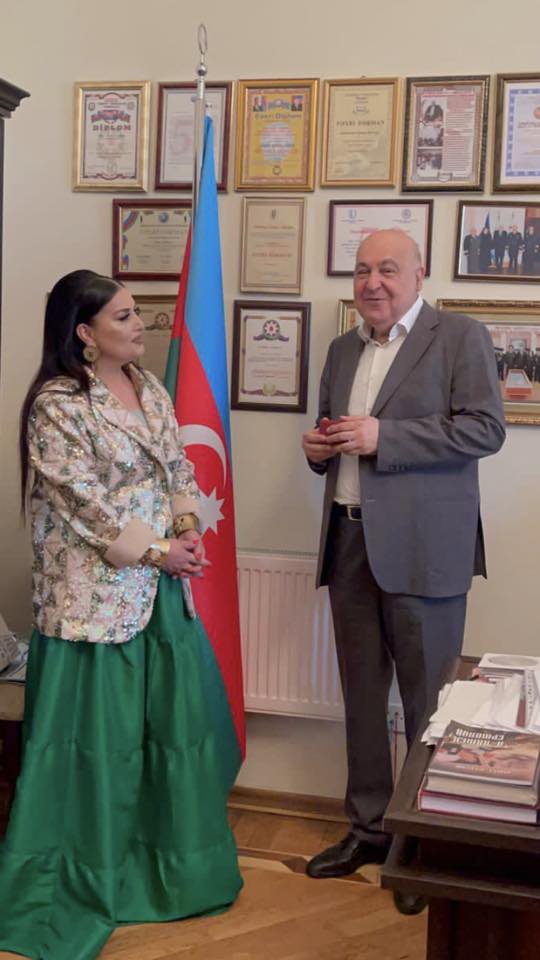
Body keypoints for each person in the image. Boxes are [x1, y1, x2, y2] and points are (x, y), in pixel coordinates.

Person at [0, 270, 242, 960]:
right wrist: (162, 550)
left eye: (138, 314)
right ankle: (78, 882)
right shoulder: (57, 405)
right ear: (85, 332)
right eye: (125, 317)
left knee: (166, 739)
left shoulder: (149, 387)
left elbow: (177, 467)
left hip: (159, 595)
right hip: (94, 606)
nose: (141, 326)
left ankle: (164, 875)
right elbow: (84, 503)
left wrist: (187, 528)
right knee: (96, 751)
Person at [301, 229, 505, 880]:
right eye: (362, 270)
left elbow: (485, 429)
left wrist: (384, 436)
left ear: (419, 274)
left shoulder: (461, 336)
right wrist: (318, 450)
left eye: (388, 269)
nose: (373, 282)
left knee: (428, 706)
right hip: (349, 542)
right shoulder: (341, 349)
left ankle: (421, 844)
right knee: (362, 700)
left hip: (425, 551)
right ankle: (367, 830)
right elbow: (338, 435)